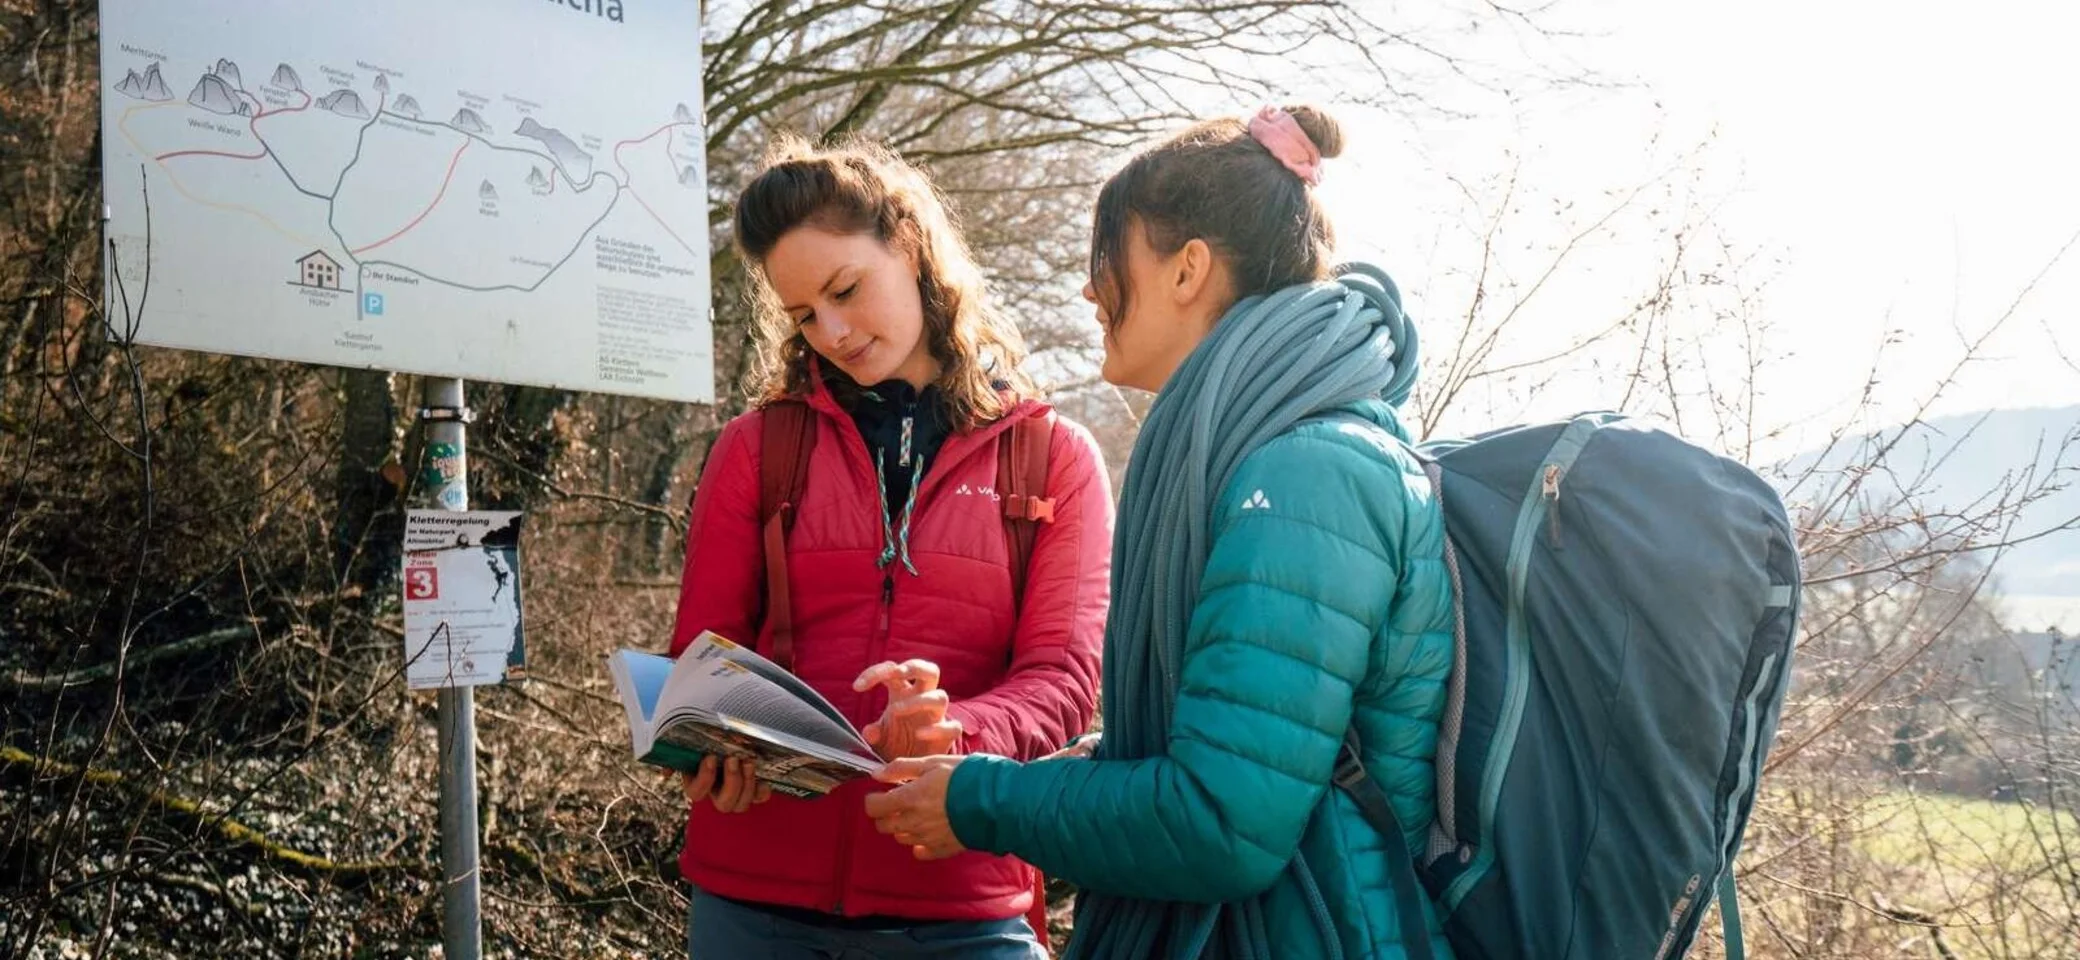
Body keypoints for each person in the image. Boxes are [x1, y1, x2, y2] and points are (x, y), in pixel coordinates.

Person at [864, 104, 1457, 960]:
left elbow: (1221, 821)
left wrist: (980, 802)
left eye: (1107, 256)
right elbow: (1220, 749)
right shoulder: (1268, 456)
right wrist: (1016, 779)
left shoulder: (1309, 477)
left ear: (1187, 270)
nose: (1089, 288)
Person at [666, 134, 1114, 958]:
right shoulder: (755, 448)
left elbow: (1062, 682)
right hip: (754, 901)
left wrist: (953, 728)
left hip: (962, 901)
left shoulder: (1054, 459)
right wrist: (708, 745)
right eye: (804, 315)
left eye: (845, 289)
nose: (833, 332)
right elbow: (701, 653)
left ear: (910, 246)